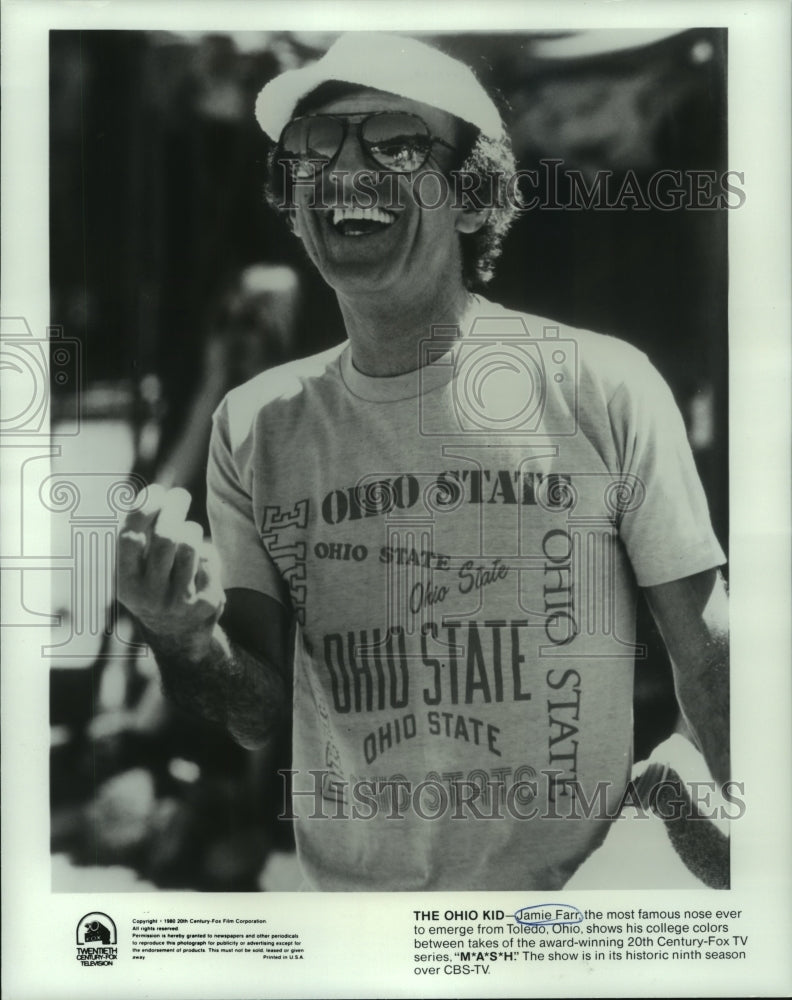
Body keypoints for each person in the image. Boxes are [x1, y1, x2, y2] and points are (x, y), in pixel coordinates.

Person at [117, 32, 729, 891]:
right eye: (316, 147)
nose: (347, 170)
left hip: (571, 926)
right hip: (362, 938)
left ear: (474, 198)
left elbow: (709, 656)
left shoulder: (602, 386)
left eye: (397, 144)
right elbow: (254, 712)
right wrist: (182, 636)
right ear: (291, 202)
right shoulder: (254, 426)